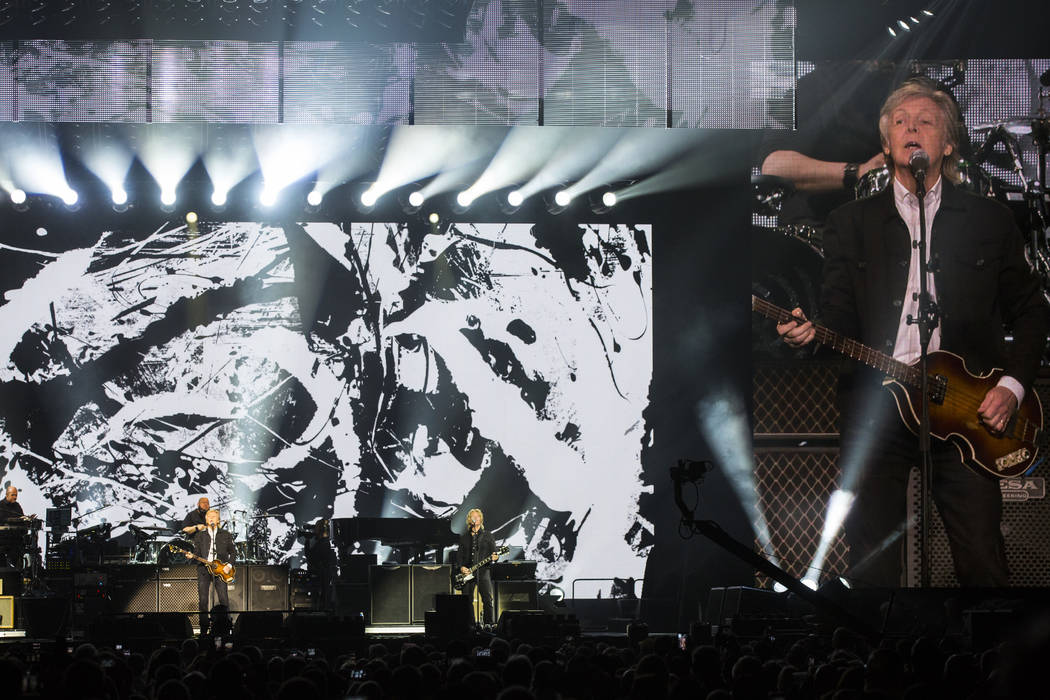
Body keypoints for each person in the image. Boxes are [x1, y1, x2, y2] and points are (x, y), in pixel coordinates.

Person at [777, 78, 1050, 587]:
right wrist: (811, 333)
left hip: (968, 411)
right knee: (872, 564)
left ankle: (991, 663)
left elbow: (1032, 311)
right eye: (900, 122)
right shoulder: (849, 223)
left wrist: (1011, 388)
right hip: (877, 409)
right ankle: (879, 664)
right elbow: (838, 315)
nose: (911, 129)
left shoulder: (989, 220)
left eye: (925, 121)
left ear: (947, 143)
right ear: (886, 145)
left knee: (982, 561)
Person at [184, 508, 236, 635]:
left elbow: (233, 552)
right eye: (209, 516)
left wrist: (228, 565)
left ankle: (226, 627)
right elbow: (197, 553)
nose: (211, 518)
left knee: (224, 599)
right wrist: (192, 556)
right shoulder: (200, 535)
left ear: (218, 520)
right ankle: (204, 628)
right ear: (206, 520)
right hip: (204, 570)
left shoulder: (225, 534)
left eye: (214, 516)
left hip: (221, 570)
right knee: (203, 600)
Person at [457, 508, 498, 626]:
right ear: (469, 520)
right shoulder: (464, 537)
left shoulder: (487, 535)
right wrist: (461, 567)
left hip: (483, 571)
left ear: (481, 519)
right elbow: (459, 556)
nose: (475, 519)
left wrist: (495, 557)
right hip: (467, 572)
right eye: (472, 517)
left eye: (477, 517)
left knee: (487, 599)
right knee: (467, 600)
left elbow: (494, 552)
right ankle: (470, 625)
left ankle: (488, 624)